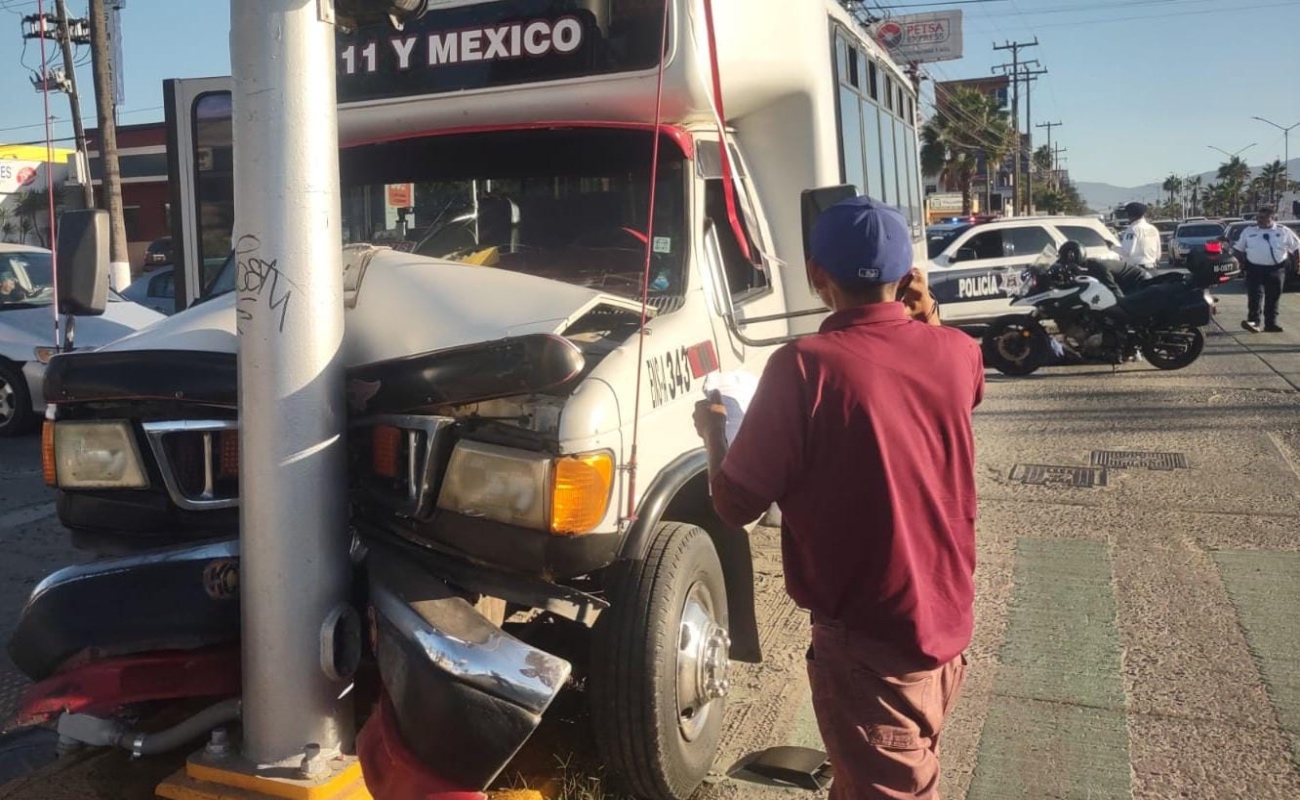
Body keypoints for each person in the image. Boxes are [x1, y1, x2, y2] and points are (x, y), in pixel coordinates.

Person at [692, 196, 984, 799]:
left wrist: (715, 433)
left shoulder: (805, 367)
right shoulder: (959, 352)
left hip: (868, 645)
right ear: (908, 278)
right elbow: (942, 380)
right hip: (944, 628)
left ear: (816, 276)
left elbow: (734, 506)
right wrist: (927, 318)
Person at [1233, 205, 1300, 333]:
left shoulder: (1283, 231)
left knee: (1273, 297)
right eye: (1258, 217)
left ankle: (1271, 324)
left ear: (1272, 217)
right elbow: (1238, 249)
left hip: (1276, 269)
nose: (1259, 220)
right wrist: (1239, 263)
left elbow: (1296, 248)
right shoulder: (1249, 231)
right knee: (1255, 296)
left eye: (1263, 217)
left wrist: (1298, 264)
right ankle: (1254, 322)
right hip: (1254, 268)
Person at [1115, 202, 1161, 278]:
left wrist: (1112, 247)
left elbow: (1128, 252)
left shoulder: (1133, 229)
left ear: (1131, 215)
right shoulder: (1153, 229)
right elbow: (1158, 253)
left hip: (1138, 271)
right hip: (1153, 269)